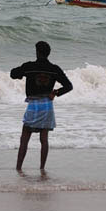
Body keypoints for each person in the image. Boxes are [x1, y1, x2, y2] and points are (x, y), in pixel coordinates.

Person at [10, 41, 73, 171]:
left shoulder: (29, 66)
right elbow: (69, 86)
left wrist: (22, 72)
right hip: (47, 106)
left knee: (25, 138)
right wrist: (55, 92)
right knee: (44, 139)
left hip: (33, 105)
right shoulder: (55, 69)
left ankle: (18, 168)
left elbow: (13, 74)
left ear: (37, 52)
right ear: (48, 53)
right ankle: (42, 168)